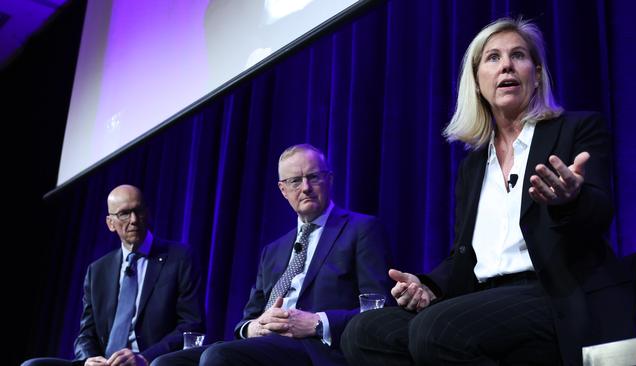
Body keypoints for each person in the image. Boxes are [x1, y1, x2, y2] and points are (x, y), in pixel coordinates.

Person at [341, 18, 632, 366]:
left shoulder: (577, 129)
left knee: (437, 329)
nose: (506, 65)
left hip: (550, 294)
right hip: (480, 299)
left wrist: (569, 200)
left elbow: (600, 212)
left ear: (536, 74)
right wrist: (429, 286)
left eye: (518, 55)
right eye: (492, 58)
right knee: (364, 331)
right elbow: (466, 255)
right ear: (477, 82)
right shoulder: (474, 165)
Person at [153, 144, 392, 366]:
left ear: (329, 179)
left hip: (316, 348)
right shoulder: (273, 250)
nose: (306, 188)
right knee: (165, 363)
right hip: (264, 342)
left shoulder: (361, 229)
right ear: (283, 189)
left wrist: (318, 323)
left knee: (218, 357)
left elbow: (379, 309)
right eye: (295, 181)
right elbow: (247, 318)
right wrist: (253, 328)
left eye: (314, 177)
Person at [23, 184, 205, 366]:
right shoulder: (97, 270)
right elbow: (86, 334)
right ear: (110, 223)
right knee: (33, 365)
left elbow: (191, 325)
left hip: (151, 362)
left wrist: (145, 358)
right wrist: (89, 359)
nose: (133, 219)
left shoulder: (179, 258)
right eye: (124, 213)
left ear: (147, 212)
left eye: (138, 210)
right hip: (106, 363)